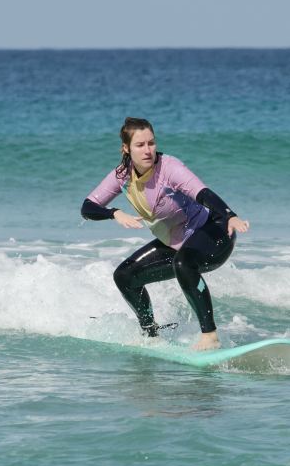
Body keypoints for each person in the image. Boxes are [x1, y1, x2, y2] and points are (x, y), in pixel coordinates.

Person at [81, 117, 250, 351]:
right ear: (126, 148)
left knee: (184, 263)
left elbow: (203, 193)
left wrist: (230, 214)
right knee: (125, 276)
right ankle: (151, 334)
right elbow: (88, 207)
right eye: (140, 145)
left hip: (215, 230)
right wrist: (114, 213)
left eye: (151, 143)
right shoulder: (122, 175)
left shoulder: (169, 167)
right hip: (176, 242)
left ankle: (210, 336)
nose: (148, 150)